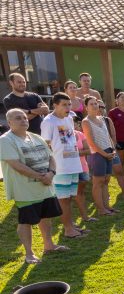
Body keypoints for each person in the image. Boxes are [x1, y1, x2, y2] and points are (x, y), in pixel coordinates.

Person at [0, 108, 67, 264]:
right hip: (25, 190)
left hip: (45, 185)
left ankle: (49, 245)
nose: (23, 120)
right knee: (26, 220)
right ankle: (29, 254)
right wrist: (40, 177)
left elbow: (51, 157)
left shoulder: (36, 137)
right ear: (9, 122)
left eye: (24, 117)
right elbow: (15, 164)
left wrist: (51, 173)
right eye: (18, 118)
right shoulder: (5, 140)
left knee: (45, 216)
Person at [40, 92, 86, 239]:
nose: (67, 107)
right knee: (63, 199)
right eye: (64, 105)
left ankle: (71, 225)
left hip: (73, 164)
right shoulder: (49, 121)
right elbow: (45, 145)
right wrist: (50, 168)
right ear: (55, 105)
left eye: (69, 104)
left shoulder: (69, 119)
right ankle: (68, 229)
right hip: (60, 167)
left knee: (69, 197)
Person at [82, 97, 117, 216]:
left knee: (106, 180)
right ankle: (101, 209)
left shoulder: (102, 118)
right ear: (86, 107)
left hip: (108, 151)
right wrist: (104, 154)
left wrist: (112, 150)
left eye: (96, 104)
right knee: (98, 182)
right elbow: (91, 142)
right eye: (91, 104)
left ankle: (107, 207)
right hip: (97, 154)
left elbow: (108, 137)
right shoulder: (86, 122)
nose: (94, 106)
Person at [98, 99, 124, 202]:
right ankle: (105, 198)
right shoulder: (89, 121)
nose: (101, 109)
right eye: (98, 106)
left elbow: (113, 136)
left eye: (102, 107)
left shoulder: (107, 120)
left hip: (111, 150)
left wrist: (112, 148)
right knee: (104, 177)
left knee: (119, 172)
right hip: (99, 152)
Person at [72, 116, 93, 223]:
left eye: (75, 122)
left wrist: (74, 153)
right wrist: (80, 152)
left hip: (83, 167)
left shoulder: (80, 134)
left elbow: (89, 151)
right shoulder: (63, 135)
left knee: (80, 192)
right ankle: (70, 222)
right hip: (70, 169)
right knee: (69, 195)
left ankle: (85, 217)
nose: (74, 124)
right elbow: (64, 153)